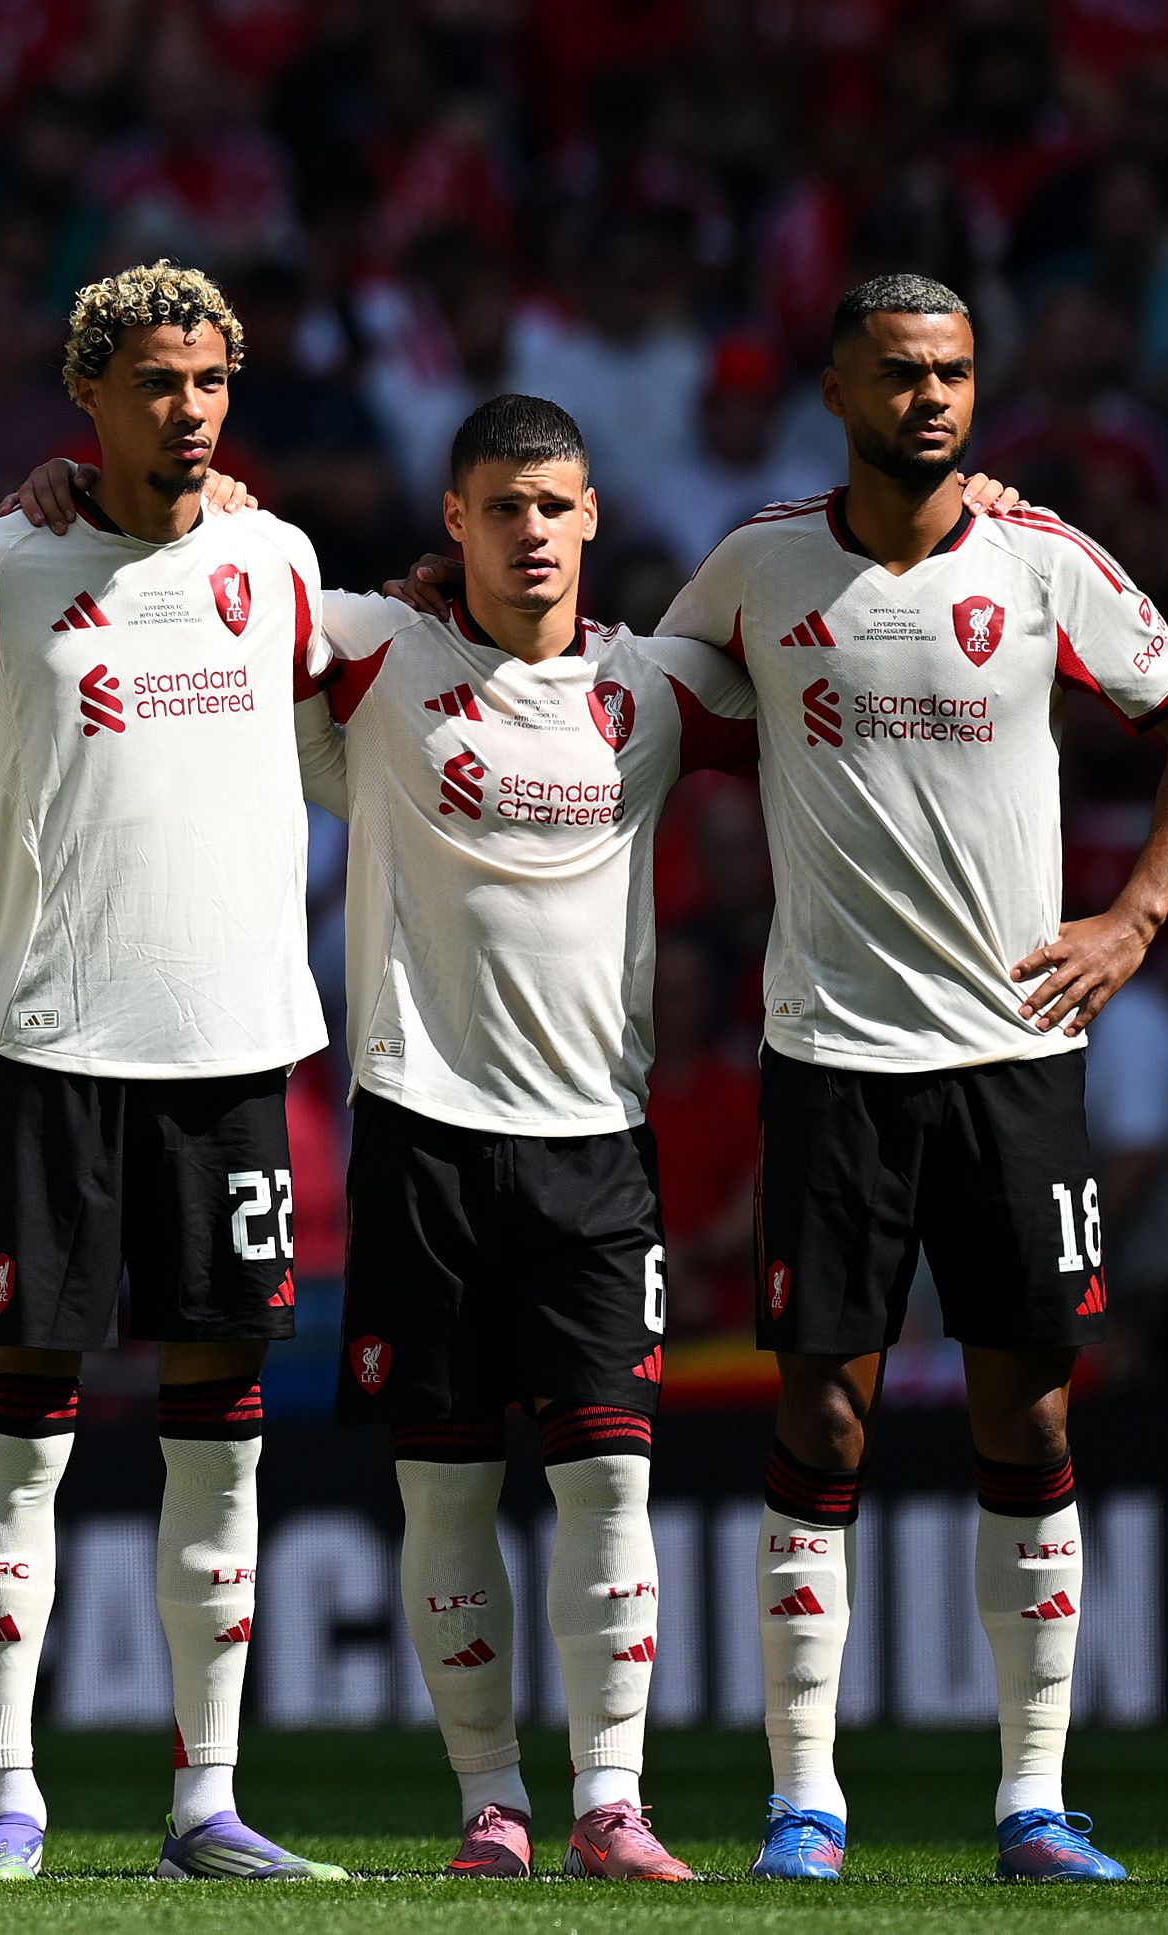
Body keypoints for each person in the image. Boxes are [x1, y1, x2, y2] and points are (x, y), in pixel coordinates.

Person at [661, 275, 1168, 1886]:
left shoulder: (1044, 560)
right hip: (830, 1059)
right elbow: (635, 701)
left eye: (953, 373)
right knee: (823, 1414)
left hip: (1012, 1058)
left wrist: (1135, 915)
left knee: (1028, 1404)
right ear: (835, 389)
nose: (930, 398)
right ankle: (803, 1800)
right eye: (900, 373)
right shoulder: (759, 564)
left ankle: (1033, 1801)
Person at [0, 260, 348, 1881]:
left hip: (233, 1057)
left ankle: (205, 1798)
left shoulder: (277, 561)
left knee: (219, 1434)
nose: (186, 411)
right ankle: (10, 1795)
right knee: (29, 1434)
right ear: (89, 398)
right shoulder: (0, 561)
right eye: (153, 383)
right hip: (55, 1054)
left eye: (207, 382)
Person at [304, 395, 755, 1881]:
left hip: (592, 1147)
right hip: (421, 1134)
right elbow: (203, 583)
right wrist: (66, 488)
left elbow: (838, 651)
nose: (528, 533)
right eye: (499, 506)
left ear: (591, 519)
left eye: (552, 505)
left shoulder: (659, 686)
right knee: (442, 1490)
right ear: (453, 521)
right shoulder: (374, 651)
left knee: (606, 1481)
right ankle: (489, 1802)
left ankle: (609, 1802)